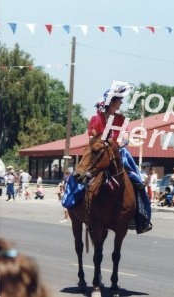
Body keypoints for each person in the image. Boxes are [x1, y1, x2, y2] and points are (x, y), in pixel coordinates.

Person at [64, 82, 152, 233]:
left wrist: (120, 142)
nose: (121, 103)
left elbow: (125, 136)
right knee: (79, 174)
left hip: (118, 151)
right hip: (99, 151)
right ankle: (71, 203)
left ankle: (141, 217)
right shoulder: (96, 119)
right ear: (112, 101)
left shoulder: (122, 119)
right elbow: (93, 137)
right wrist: (101, 144)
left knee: (136, 179)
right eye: (119, 100)